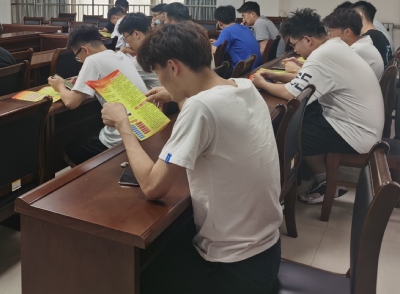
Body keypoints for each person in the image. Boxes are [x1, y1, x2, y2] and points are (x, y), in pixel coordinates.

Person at [102, 22, 282, 294]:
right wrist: (178, 93)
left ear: (173, 67)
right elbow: (209, 108)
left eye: (158, 73)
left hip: (230, 267)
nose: (160, 81)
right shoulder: (244, 87)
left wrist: (123, 125)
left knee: (132, 275)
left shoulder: (201, 107)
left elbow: (152, 187)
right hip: (267, 250)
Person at [251, 8, 383, 204]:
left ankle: (279, 194)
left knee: (284, 133)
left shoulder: (323, 55)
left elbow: (291, 93)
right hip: (359, 124)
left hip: (355, 133)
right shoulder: (333, 46)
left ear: (307, 39)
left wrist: (262, 83)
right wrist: (273, 75)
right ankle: (320, 178)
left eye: (294, 44)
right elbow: (307, 80)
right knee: (303, 116)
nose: (295, 50)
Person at [48, 25, 147, 165]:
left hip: (123, 135)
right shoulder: (119, 55)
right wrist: (83, 78)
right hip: (144, 127)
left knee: (70, 150)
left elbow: (71, 102)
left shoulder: (92, 60)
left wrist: (59, 86)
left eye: (77, 57)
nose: (80, 60)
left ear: (85, 50)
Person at [323, 8, 384, 78]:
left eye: (330, 30)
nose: (329, 34)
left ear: (347, 32)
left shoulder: (356, 50)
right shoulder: (363, 44)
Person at [116, 13, 160, 89]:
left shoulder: (142, 60)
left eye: (126, 37)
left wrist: (121, 51)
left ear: (136, 34)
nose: (127, 42)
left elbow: (116, 76)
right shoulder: (159, 45)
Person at [211, 5, 262, 71]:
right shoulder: (245, 28)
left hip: (242, 71)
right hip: (256, 66)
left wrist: (207, 44)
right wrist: (217, 42)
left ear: (219, 23)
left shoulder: (227, 31)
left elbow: (216, 51)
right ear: (234, 18)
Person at [350, 0, 392, 65]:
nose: (349, 21)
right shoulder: (379, 35)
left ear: (360, 15)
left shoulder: (368, 39)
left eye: (351, 16)